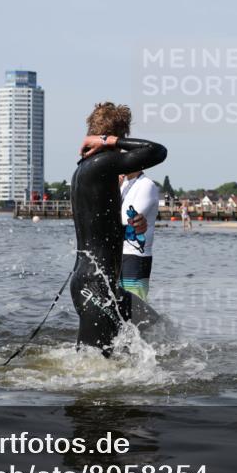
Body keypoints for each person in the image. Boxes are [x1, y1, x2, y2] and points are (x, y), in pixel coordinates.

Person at [70, 102, 167, 355]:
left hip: (96, 284)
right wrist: (109, 141)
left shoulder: (84, 169)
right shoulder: (103, 164)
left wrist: (129, 230)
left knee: (158, 329)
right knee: (93, 372)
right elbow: (157, 151)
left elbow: (98, 230)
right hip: (96, 287)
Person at [119, 170, 159, 301]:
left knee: (135, 308)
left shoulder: (147, 185)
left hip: (135, 256)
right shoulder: (122, 184)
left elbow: (127, 220)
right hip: (118, 254)